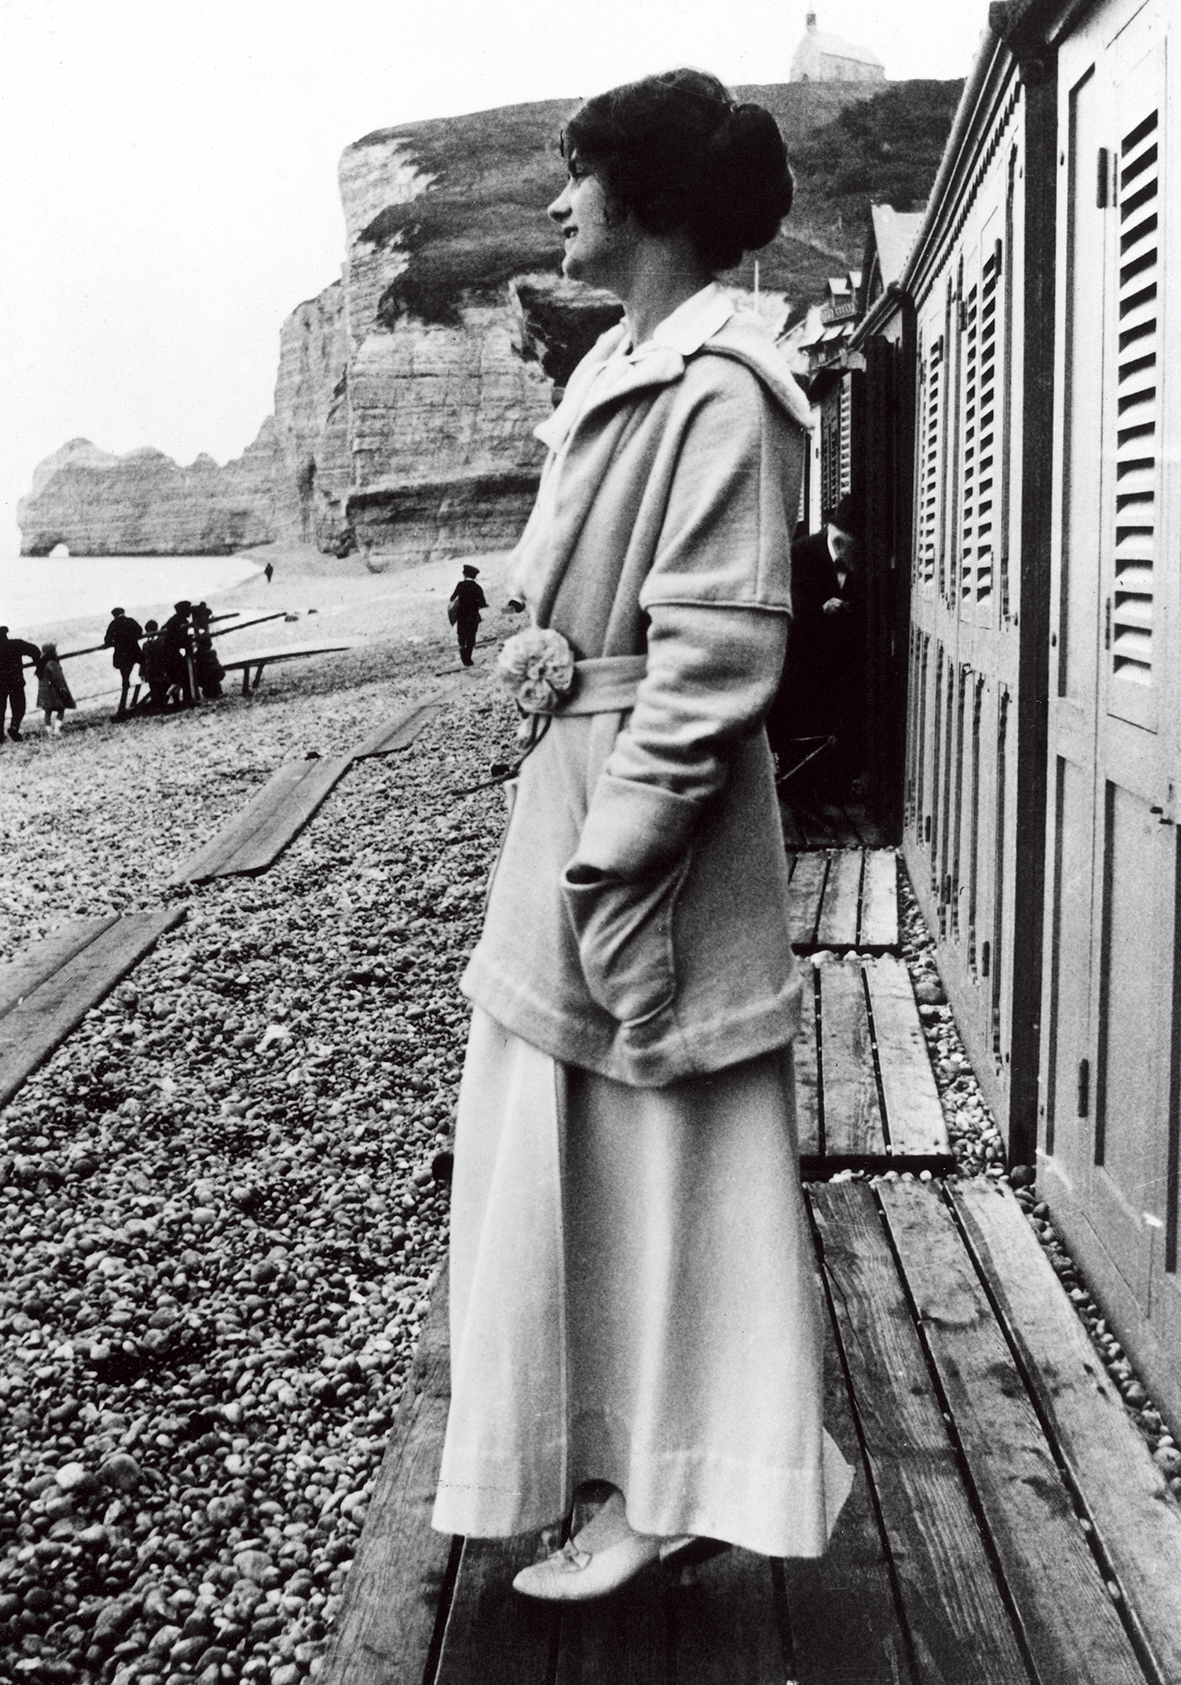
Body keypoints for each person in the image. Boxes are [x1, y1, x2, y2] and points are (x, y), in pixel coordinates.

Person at [430, 69, 852, 1604]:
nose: (557, 202)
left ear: (652, 203)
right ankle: (622, 1467)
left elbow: (717, 661)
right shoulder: (627, 361)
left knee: (673, 1167)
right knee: (578, 1159)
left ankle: (673, 1485)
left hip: (642, 832)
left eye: (581, 174)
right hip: (581, 800)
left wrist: (615, 858)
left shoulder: (723, 391)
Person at [768, 493, 862, 785]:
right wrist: (820, 610)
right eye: (855, 548)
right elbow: (784, 606)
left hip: (841, 665)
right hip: (804, 662)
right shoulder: (799, 553)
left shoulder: (861, 559)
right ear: (840, 542)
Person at [0, 626, 41, 745]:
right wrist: (37, 663)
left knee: (0, 711)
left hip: (0, 684)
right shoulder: (16, 644)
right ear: (6, 635)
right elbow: (35, 651)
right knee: (19, 708)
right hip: (16, 681)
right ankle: (14, 727)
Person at [103, 607, 144, 721]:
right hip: (134, 653)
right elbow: (139, 631)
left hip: (122, 656)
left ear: (114, 615)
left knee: (125, 681)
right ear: (123, 613)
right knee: (144, 669)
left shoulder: (113, 625)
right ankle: (135, 700)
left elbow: (107, 641)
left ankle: (122, 706)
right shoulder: (130, 621)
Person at [448, 563, 488, 665]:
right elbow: (482, 603)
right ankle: (468, 658)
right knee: (471, 637)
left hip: (462, 616)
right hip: (473, 616)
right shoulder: (477, 587)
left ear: (465, 574)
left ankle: (463, 654)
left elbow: (452, 598)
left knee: (462, 636)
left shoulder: (460, 585)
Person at [158, 601, 195, 708]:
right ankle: (184, 699)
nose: (190, 611)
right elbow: (177, 639)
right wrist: (188, 640)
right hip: (170, 652)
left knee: (178, 677)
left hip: (170, 652)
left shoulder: (175, 620)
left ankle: (177, 701)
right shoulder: (178, 621)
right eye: (188, 609)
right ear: (183, 610)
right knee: (183, 675)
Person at [35, 642, 76, 734]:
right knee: (61, 709)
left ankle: (48, 729)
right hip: (54, 691)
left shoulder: (41, 665)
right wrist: (63, 690)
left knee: (47, 711)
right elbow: (58, 679)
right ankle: (57, 729)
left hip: (45, 692)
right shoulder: (52, 664)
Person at [193, 631, 225, 698]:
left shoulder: (198, 655)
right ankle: (217, 692)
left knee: (206, 677)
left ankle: (210, 693)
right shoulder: (212, 652)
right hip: (218, 673)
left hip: (207, 676)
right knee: (213, 679)